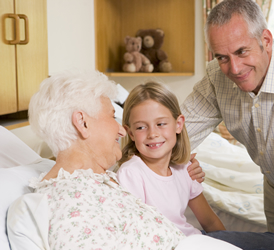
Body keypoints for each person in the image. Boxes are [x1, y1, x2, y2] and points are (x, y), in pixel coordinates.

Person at [7, 70, 235, 249]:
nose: (121, 130)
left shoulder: (100, 181)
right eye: (110, 116)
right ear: (82, 123)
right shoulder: (68, 202)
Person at [182, 0, 274, 248]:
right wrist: (175, 160)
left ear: (266, 41)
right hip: (271, 187)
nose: (234, 68)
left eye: (241, 52)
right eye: (222, 57)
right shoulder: (217, 76)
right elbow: (177, 133)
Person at [116, 82, 274, 250]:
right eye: (140, 127)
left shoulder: (184, 169)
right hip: (175, 245)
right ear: (130, 132)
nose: (153, 134)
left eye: (161, 124)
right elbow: (135, 232)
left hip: (195, 240)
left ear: (178, 124)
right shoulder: (131, 173)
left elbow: (211, 222)